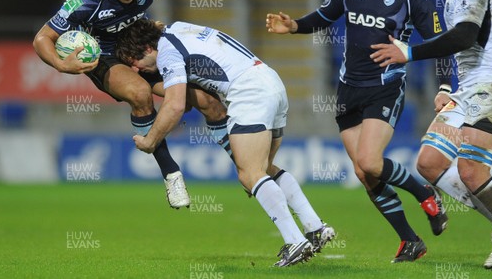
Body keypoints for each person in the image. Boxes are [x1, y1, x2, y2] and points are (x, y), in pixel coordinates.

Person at [33, 0, 292, 209]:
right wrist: (60, 64)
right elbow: (42, 37)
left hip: (141, 45)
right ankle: (171, 173)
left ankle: (245, 168)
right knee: (140, 93)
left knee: (208, 101)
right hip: (105, 55)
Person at [265, 0, 448, 263]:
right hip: (348, 89)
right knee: (365, 174)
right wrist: (293, 27)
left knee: (368, 161)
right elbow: (323, 16)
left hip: (385, 88)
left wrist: (445, 85)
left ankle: (425, 194)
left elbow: (441, 43)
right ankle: (410, 241)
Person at [114, 18, 336, 267]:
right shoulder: (177, 28)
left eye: (135, 63)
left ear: (146, 49)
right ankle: (315, 227)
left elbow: (175, 105)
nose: (136, 70)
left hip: (249, 92)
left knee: (249, 174)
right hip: (271, 82)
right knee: (264, 171)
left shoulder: (167, 52)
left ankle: (295, 241)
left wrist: (150, 141)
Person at [370, 0, 492, 271]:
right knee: (430, 163)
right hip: (469, 88)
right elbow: (461, 44)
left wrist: (409, 52)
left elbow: (464, 35)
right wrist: (448, 86)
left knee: (471, 171)